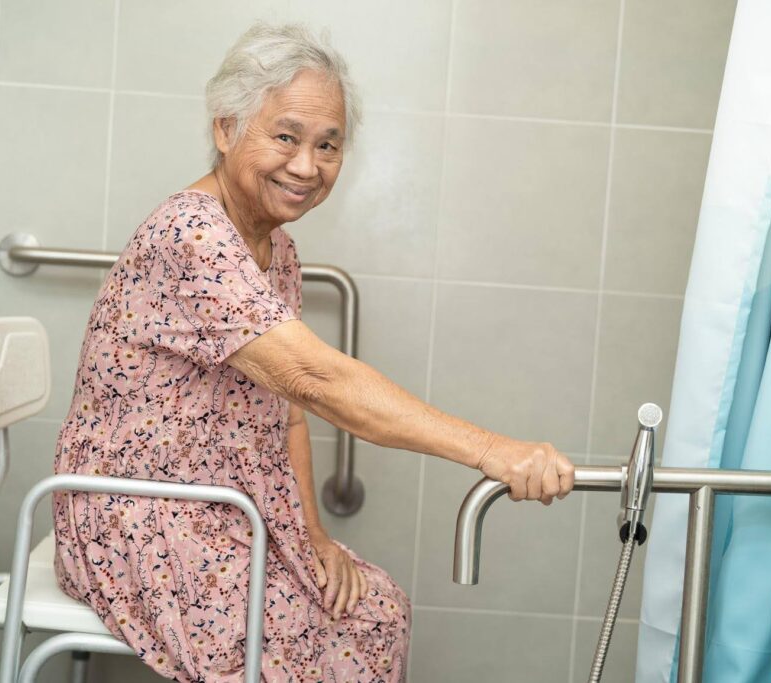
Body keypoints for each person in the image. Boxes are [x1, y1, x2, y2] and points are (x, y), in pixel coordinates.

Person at [52, 22, 575, 683]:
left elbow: (289, 409)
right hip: (136, 512)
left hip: (225, 507)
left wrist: (312, 532)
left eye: (328, 145)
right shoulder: (192, 236)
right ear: (225, 128)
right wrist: (492, 450)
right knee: (324, 647)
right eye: (286, 137)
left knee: (376, 611)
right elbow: (316, 379)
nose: (307, 165)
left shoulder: (278, 248)